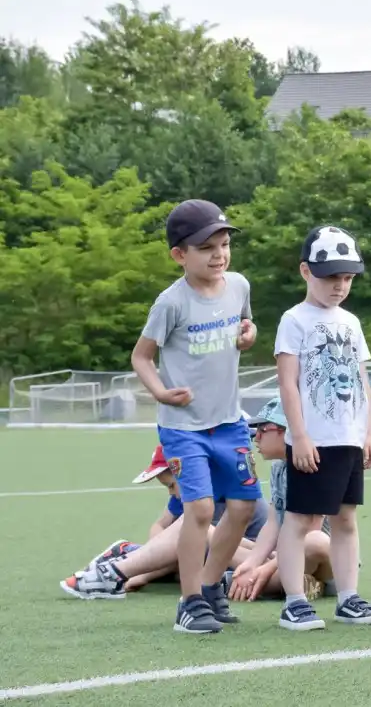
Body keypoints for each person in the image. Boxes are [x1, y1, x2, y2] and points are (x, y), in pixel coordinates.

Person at [130, 198, 263, 634]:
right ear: (179, 255)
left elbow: (246, 326)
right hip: (183, 428)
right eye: (207, 248)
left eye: (224, 244)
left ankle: (209, 589)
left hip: (229, 421)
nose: (219, 255)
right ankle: (189, 603)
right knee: (201, 509)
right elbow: (142, 357)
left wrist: (249, 335)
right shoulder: (171, 303)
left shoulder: (239, 285)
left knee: (242, 508)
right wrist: (162, 393)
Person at [272, 225, 371, 631]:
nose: (340, 285)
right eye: (331, 277)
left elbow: (361, 380)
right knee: (301, 520)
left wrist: (367, 433)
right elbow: (288, 381)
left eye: (347, 277)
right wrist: (299, 435)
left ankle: (349, 597)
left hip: (348, 439)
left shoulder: (351, 323)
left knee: (345, 518)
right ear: (306, 272)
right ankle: (294, 601)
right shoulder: (294, 320)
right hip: (313, 440)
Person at [60, 445, 268, 599]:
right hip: (230, 556)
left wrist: (145, 573)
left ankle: (120, 569)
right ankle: (132, 560)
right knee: (188, 545)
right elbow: (160, 525)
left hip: (249, 557)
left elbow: (217, 542)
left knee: (191, 543)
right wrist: (155, 550)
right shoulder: (188, 496)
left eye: (171, 485)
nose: (172, 493)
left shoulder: (223, 495)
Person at [226, 397, 336, 604]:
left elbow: (310, 533)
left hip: (322, 561)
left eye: (262, 430)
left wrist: (265, 568)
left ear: (286, 430)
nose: (255, 437)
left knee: (316, 541)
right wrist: (252, 563)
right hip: (285, 555)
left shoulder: (313, 466)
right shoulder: (279, 469)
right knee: (214, 536)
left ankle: (232, 583)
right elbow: (272, 523)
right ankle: (263, 581)